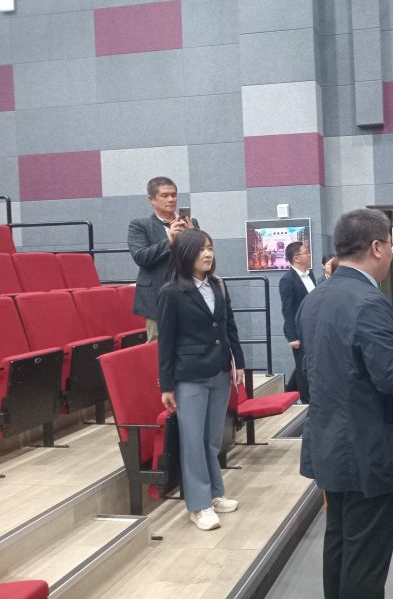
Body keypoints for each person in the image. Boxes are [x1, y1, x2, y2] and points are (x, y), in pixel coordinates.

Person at [297, 209, 393, 599]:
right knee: (365, 560)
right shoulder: (369, 301)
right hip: (368, 448)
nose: (391, 253)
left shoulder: (315, 298)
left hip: (329, 441)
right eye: (391, 245)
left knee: (339, 541)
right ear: (376, 247)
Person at [157, 229, 245, 531]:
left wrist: (239, 362)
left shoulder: (218, 285)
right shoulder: (171, 292)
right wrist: (166, 385)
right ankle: (198, 505)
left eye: (210, 248)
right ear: (185, 254)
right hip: (189, 375)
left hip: (219, 371)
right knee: (193, 442)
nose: (207, 254)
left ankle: (215, 493)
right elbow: (165, 342)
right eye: (200, 249)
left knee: (211, 439)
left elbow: (229, 326)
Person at [128, 176, 196, 341]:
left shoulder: (190, 223)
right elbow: (141, 257)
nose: (171, 199)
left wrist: (194, 236)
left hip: (187, 293)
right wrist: (170, 241)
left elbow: (201, 258)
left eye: (174, 195)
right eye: (165, 195)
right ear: (152, 199)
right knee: (158, 347)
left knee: (190, 344)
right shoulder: (139, 225)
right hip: (156, 297)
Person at [279, 241, 316, 403]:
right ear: (296, 258)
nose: (309, 255)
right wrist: (292, 336)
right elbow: (287, 310)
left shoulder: (311, 275)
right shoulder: (287, 280)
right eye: (306, 252)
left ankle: (288, 393)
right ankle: (307, 401)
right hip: (299, 331)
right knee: (303, 368)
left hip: (313, 328)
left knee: (305, 363)